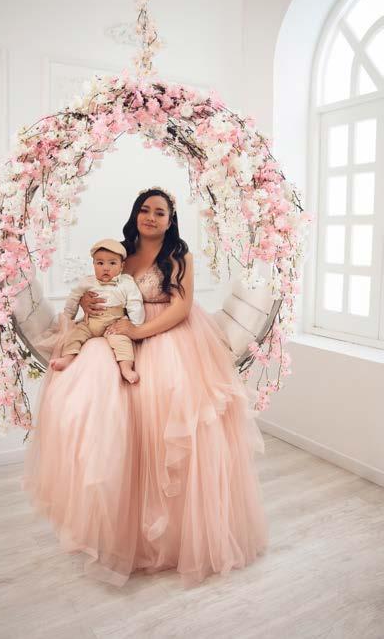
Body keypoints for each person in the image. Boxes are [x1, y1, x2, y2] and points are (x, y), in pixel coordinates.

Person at [22, 186, 269, 588]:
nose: (151, 217)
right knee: (89, 387)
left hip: (168, 332)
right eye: (144, 209)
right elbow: (99, 286)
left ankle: (168, 536)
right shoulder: (121, 252)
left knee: (162, 406)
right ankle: (112, 518)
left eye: (159, 212)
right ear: (135, 214)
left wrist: (138, 331)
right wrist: (88, 305)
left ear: (171, 221)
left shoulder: (178, 256)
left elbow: (182, 308)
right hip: (120, 328)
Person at [50, 238, 145, 384]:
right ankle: (68, 358)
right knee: (74, 335)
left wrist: (136, 324)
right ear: (93, 264)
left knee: (122, 342)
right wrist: (68, 316)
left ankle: (126, 367)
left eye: (112, 263)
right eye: (100, 263)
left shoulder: (126, 282)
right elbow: (74, 297)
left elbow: (134, 302)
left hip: (113, 323)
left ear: (122, 266)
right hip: (91, 322)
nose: (106, 268)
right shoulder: (88, 282)